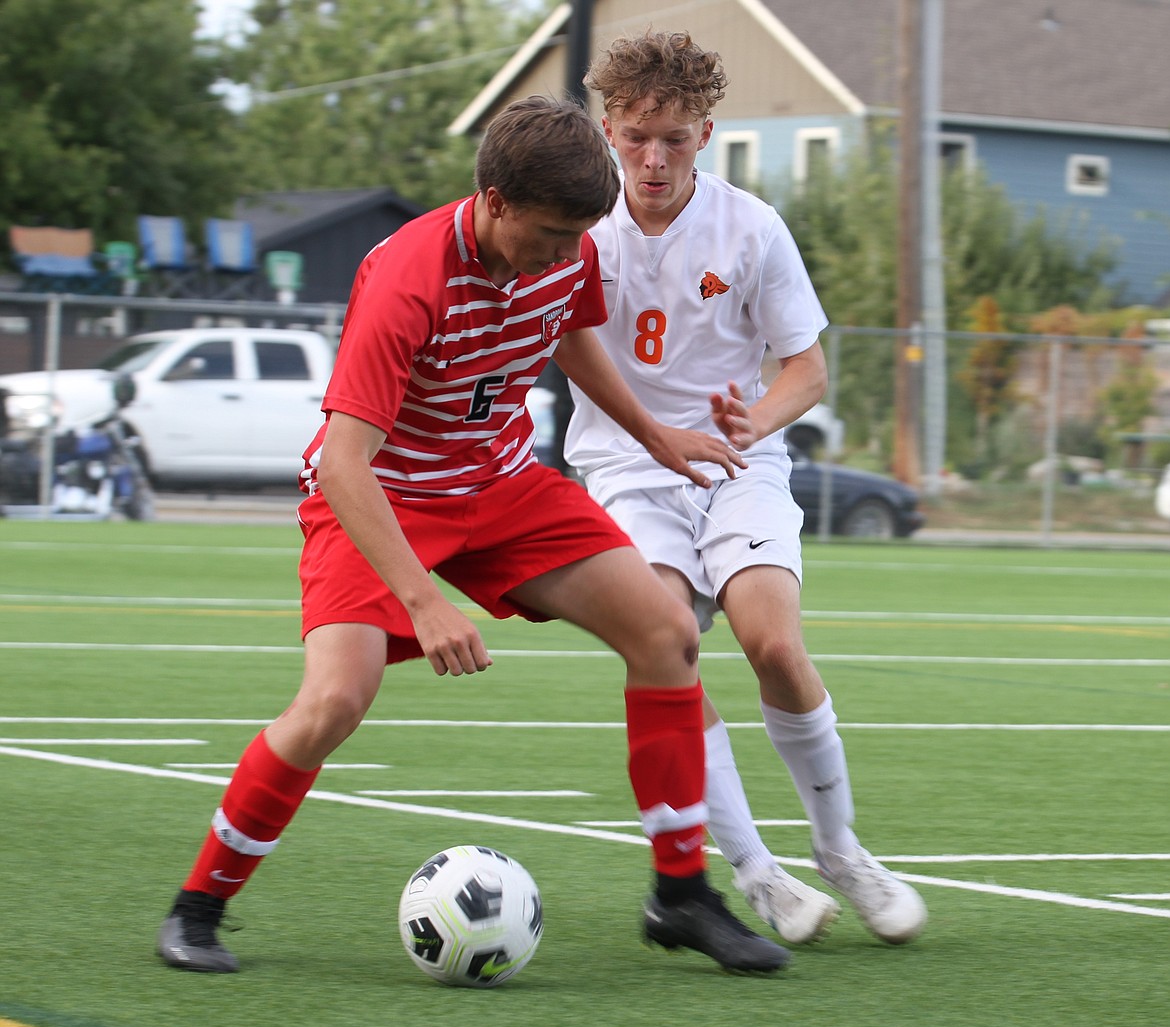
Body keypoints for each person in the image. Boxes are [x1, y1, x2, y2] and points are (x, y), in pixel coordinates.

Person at [156, 95, 790, 976]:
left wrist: (654, 435)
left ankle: (680, 895)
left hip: (500, 487)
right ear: (492, 200)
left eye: (580, 239)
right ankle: (199, 906)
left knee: (668, 633)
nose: (569, 257)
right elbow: (344, 464)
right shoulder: (408, 277)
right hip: (384, 497)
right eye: (550, 237)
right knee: (334, 702)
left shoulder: (568, 246)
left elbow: (570, 336)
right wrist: (424, 601)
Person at [563, 31, 927, 946]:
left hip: (737, 463)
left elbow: (806, 368)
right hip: (624, 470)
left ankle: (842, 851)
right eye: (637, 136)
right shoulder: (572, 227)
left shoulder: (752, 227)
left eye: (675, 139)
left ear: (707, 134)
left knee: (773, 644)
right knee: (670, 644)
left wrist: (754, 423)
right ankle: (755, 873)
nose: (653, 158)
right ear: (609, 126)